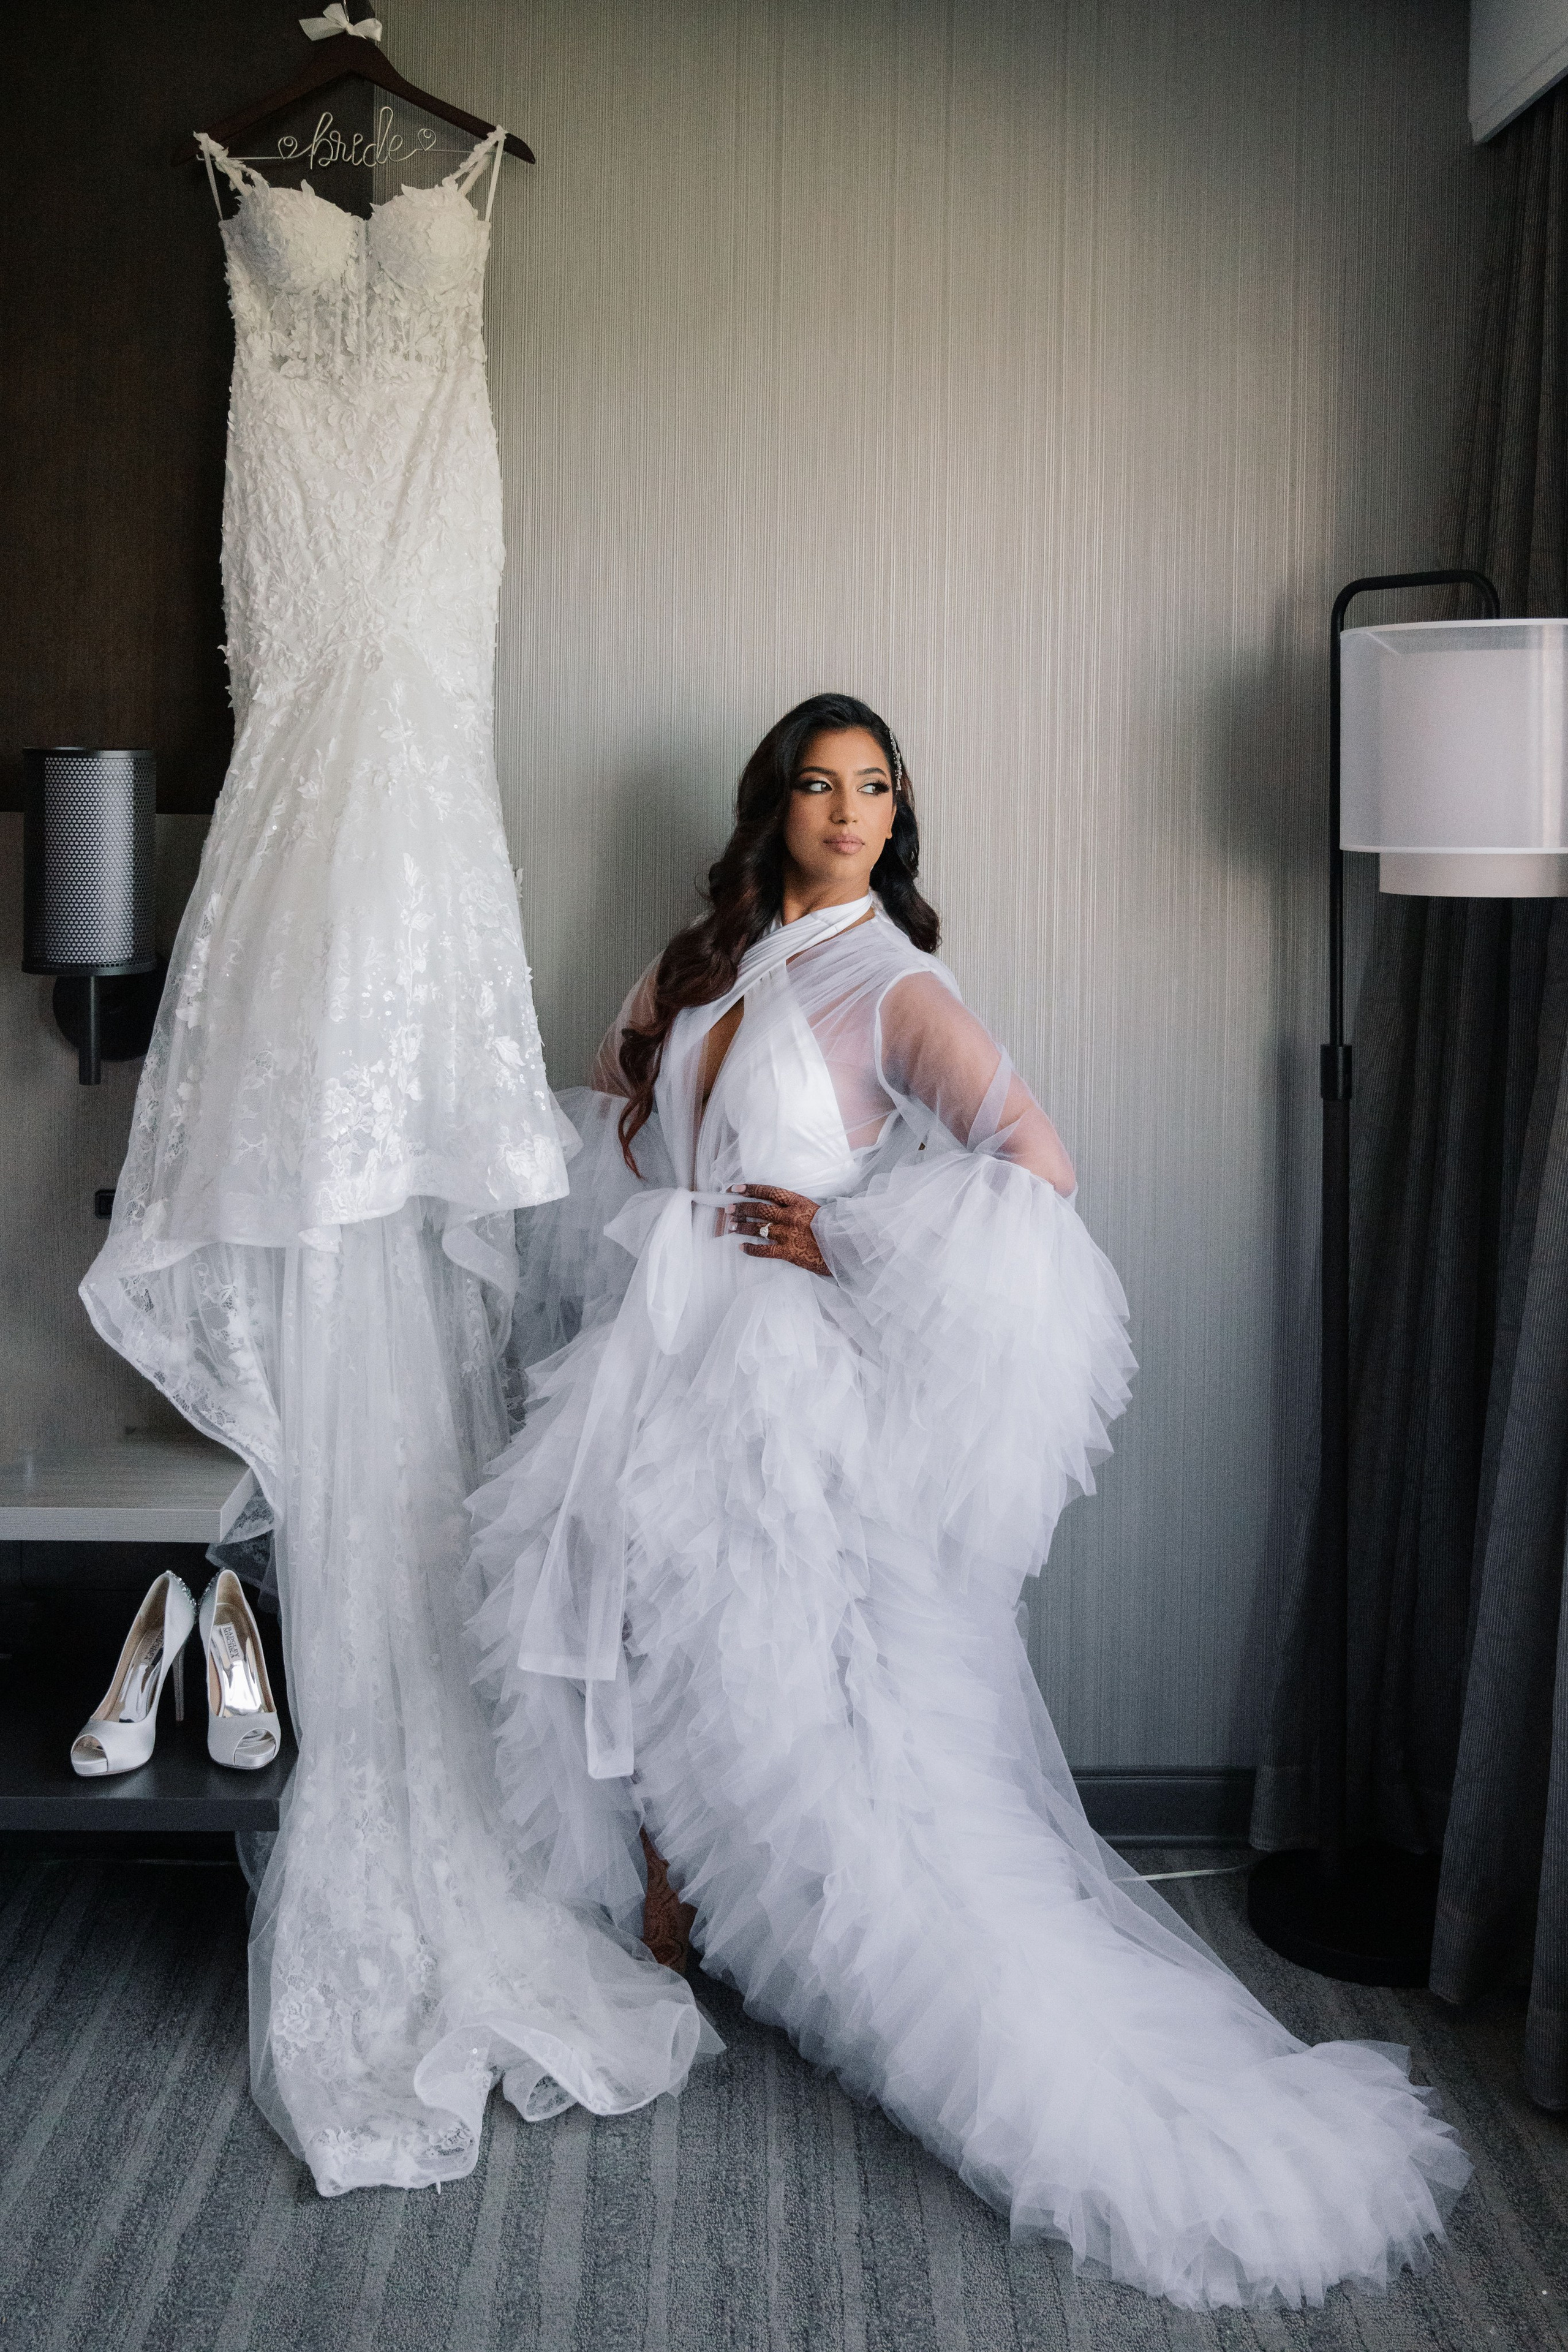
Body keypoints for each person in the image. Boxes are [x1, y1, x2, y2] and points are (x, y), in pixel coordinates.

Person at [467, 692, 1469, 2308]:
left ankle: (888, 1990)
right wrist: (643, 1073)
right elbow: (620, 1133)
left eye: (875, 787)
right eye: (819, 783)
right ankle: (675, 1908)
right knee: (651, 1640)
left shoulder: (893, 980)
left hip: (778, 1376)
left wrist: (843, 1238)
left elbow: (1034, 1163)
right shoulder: (702, 960)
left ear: (897, 814)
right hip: (654, 1354)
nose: (849, 809)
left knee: (806, 1701)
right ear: (772, 804)